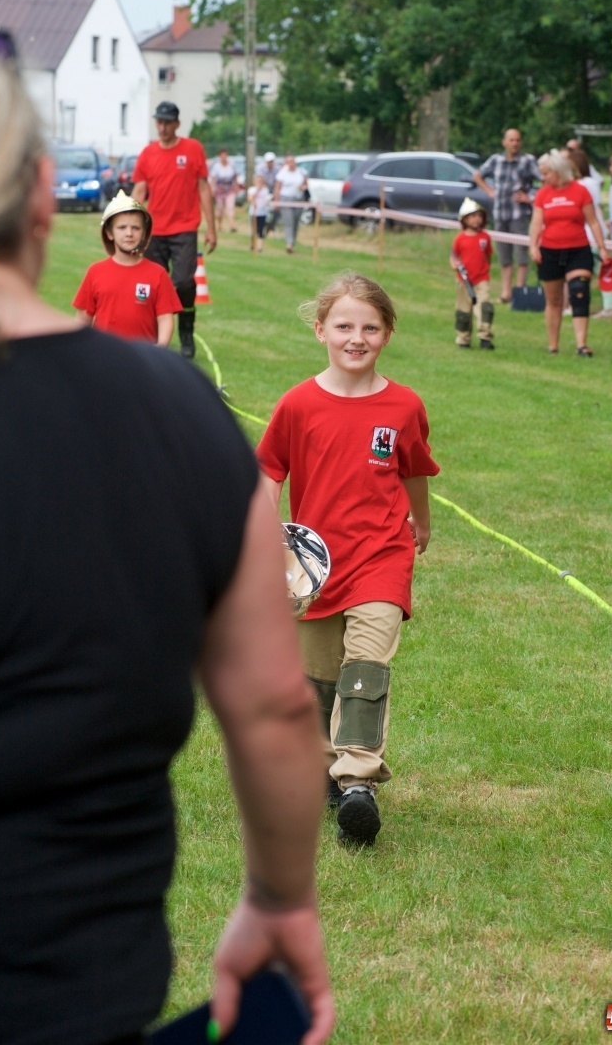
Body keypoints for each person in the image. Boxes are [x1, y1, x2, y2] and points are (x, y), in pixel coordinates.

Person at [0, 42, 334, 1045]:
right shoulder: (174, 412)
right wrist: (279, 898)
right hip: (72, 991)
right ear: (46, 197)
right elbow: (270, 707)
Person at [256, 272, 440, 847]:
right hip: (314, 567)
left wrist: (422, 522)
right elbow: (269, 470)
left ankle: (358, 780)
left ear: (387, 334)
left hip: (381, 557)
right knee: (318, 680)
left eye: (369, 327)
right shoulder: (298, 404)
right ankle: (324, 767)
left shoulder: (405, 405)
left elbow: (413, 469)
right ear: (320, 331)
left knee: (366, 666)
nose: (355, 337)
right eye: (343, 326)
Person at [132, 101, 217, 359]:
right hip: (154, 232)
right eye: (159, 122)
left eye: (167, 122)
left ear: (177, 124)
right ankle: (155, 341)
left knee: (182, 283)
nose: (162, 127)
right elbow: (139, 191)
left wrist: (211, 228)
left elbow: (203, 188)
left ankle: (186, 334)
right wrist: (128, 223)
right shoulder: (147, 154)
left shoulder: (193, 149)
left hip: (184, 228)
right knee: (151, 288)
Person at [528, 149, 612, 356]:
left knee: (579, 292)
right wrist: (533, 245)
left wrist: (602, 247)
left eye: (547, 173)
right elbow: (536, 222)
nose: (543, 177)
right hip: (550, 251)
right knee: (554, 300)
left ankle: (581, 345)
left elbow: (593, 221)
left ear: (558, 171)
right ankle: (553, 345)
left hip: (578, 250)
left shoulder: (580, 191)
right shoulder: (543, 194)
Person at [72, 189, 182, 345]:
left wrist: (160, 348)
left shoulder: (158, 274)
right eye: (122, 228)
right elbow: (83, 318)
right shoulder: (95, 272)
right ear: (109, 233)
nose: (129, 233)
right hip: (104, 356)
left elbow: (165, 318)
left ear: (144, 233)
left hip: (144, 358)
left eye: (136, 228)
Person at [473, 127, 541, 303]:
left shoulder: (527, 161)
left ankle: (519, 292)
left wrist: (530, 197)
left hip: (519, 214)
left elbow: (546, 180)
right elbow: (477, 175)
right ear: (504, 142)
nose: (515, 143)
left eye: (517, 140)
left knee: (521, 254)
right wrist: (489, 191)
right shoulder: (496, 160)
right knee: (504, 256)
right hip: (500, 213)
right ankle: (506, 293)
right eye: (511, 140)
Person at [568, 148, 612, 319]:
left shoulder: (585, 184)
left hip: (590, 234)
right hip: (590, 233)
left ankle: (608, 307)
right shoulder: (589, 183)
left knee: (601, 272)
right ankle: (579, 303)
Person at [450, 197, 495, 349]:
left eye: (479, 216)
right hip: (464, 281)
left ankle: (485, 337)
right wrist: (455, 265)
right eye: (472, 216)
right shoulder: (460, 239)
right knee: (464, 309)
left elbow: (488, 256)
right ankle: (463, 339)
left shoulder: (485, 237)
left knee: (485, 307)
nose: (477, 219)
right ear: (464, 219)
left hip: (481, 279)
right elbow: (454, 257)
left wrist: (485, 270)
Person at [273, 152, 310, 254]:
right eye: (288, 161)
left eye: (292, 161)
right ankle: (288, 243)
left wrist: (302, 187)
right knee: (288, 222)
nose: (290, 163)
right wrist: (276, 201)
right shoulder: (282, 173)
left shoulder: (301, 172)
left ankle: (292, 242)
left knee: (295, 222)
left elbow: (306, 185)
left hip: (298, 199)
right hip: (285, 199)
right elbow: (277, 188)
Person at [209, 148, 240, 233]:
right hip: (220, 189)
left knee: (230, 207)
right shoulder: (217, 166)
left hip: (229, 188)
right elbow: (213, 179)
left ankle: (232, 225)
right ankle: (219, 225)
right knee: (220, 209)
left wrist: (237, 187)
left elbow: (235, 177)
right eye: (222, 155)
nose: (224, 157)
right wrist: (212, 189)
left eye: (225, 155)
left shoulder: (231, 165)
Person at [256, 151, 279, 235]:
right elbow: (260, 180)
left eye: (271, 161)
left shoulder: (277, 169)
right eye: (268, 162)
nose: (270, 163)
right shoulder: (260, 168)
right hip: (263, 192)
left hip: (273, 192)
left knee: (275, 212)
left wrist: (274, 195)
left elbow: (277, 183)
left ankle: (270, 226)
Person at [247, 179, 272, 250]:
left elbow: (267, 199)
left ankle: (260, 246)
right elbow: (250, 198)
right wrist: (257, 190)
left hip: (262, 213)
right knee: (253, 230)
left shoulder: (265, 190)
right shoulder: (252, 189)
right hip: (253, 212)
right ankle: (252, 243)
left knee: (261, 230)